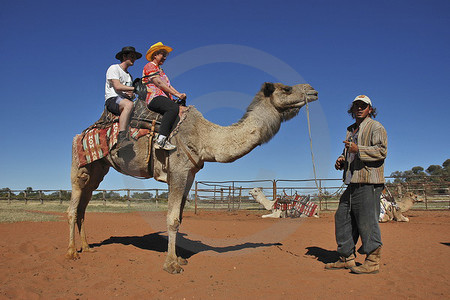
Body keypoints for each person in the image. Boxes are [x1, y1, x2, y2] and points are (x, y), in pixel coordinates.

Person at [325, 95, 388, 274]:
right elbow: (349, 154)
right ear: (352, 109)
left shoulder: (376, 127)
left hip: (369, 181)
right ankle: (346, 257)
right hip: (352, 182)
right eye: (356, 106)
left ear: (370, 109)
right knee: (342, 217)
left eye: (363, 106)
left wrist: (358, 149)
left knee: (367, 221)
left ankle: (373, 261)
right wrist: (342, 160)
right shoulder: (351, 130)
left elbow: (381, 151)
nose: (359, 108)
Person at [142, 42, 187, 151]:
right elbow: (159, 83)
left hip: (164, 97)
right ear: (155, 55)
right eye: (163, 54)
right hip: (154, 97)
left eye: (165, 55)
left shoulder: (161, 70)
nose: (165, 58)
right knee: (173, 108)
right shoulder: (149, 66)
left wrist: (179, 95)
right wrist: (177, 95)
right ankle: (161, 140)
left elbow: (168, 86)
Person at [105, 46, 142, 149]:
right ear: (124, 56)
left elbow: (128, 92)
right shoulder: (114, 68)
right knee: (129, 104)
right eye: (132, 56)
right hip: (113, 99)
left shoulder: (129, 76)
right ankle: (122, 138)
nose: (134, 59)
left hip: (123, 99)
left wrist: (132, 94)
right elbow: (117, 86)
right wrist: (134, 89)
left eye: (134, 57)